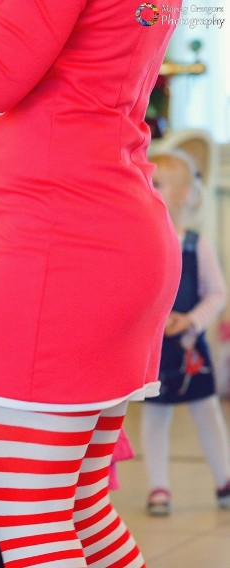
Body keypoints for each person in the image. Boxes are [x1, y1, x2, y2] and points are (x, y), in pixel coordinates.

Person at [0, 0, 182, 565]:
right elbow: (25, 45)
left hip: (64, 249)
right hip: (116, 235)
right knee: (84, 511)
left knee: (33, 523)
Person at [142, 151, 230, 516]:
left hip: (191, 348)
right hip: (155, 349)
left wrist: (192, 321)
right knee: (155, 417)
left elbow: (217, 293)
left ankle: (224, 478)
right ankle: (158, 485)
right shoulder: (142, 242)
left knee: (207, 412)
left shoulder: (197, 245)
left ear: (182, 194)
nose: (148, 187)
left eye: (157, 182)